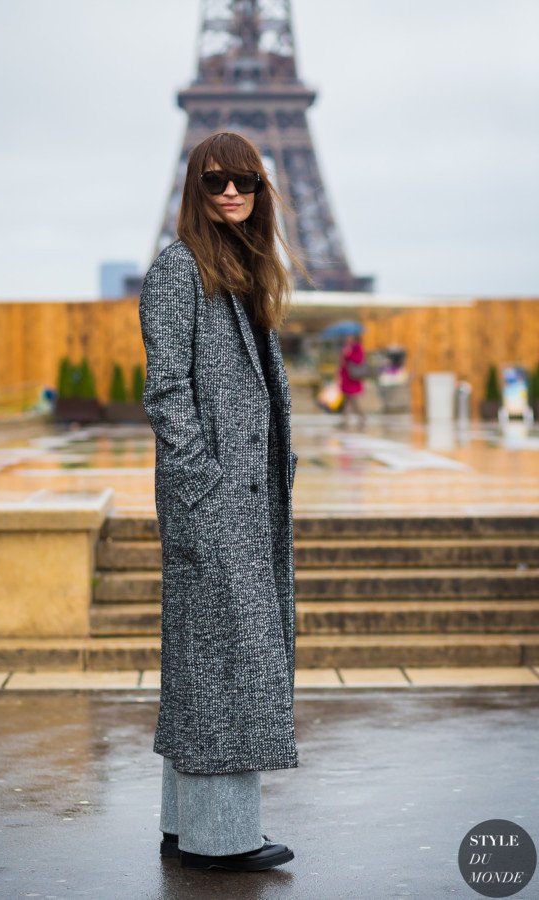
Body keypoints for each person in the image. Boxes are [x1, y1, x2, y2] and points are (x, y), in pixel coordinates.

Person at [138, 131, 306, 872]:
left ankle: (186, 823)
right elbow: (166, 389)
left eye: (245, 182)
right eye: (216, 182)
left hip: (246, 497)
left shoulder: (240, 266)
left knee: (207, 664)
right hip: (216, 501)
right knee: (228, 667)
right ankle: (223, 839)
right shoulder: (178, 270)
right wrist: (203, 482)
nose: (232, 193)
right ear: (195, 190)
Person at [339, 333, 367, 425]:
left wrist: (349, 354)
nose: (348, 338)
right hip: (346, 377)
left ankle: (348, 418)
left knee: (351, 398)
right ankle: (350, 417)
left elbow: (359, 359)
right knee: (349, 398)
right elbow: (342, 362)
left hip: (353, 377)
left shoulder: (357, 347)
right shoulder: (346, 347)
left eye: (350, 336)